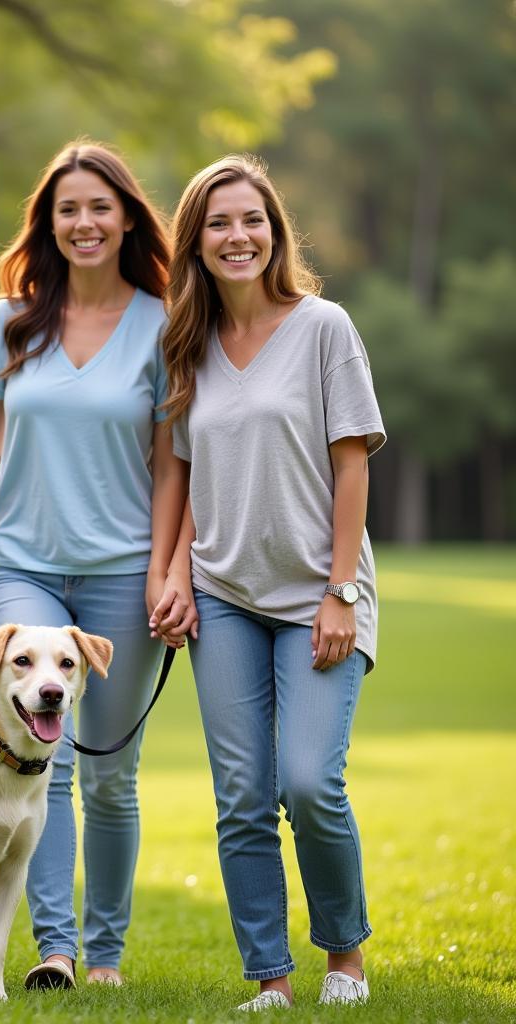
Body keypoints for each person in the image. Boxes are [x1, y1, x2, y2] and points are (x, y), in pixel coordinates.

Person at [0, 140, 184, 988]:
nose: (84, 223)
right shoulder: (11, 321)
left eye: (99, 207)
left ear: (127, 216)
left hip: (125, 573)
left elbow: (172, 466)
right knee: (33, 764)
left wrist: (168, 571)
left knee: (110, 777)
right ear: (47, 225)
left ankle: (107, 958)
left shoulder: (163, 324)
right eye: (67, 209)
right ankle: (53, 949)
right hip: (26, 566)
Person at [150, 154, 384, 1010]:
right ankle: (270, 979)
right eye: (218, 224)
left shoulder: (324, 326)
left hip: (320, 597)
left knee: (309, 781)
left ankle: (344, 959)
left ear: (274, 231)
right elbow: (184, 475)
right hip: (224, 597)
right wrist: (171, 576)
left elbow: (351, 462)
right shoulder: (187, 346)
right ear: (197, 244)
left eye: (251, 220)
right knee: (242, 797)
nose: (237, 236)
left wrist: (339, 592)